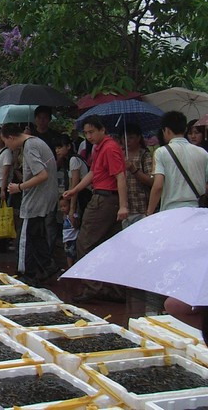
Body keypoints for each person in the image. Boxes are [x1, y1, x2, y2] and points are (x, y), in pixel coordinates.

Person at [63, 115, 128, 303]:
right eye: (86, 133)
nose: (89, 136)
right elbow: (93, 172)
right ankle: (114, 290)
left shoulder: (109, 148)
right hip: (105, 197)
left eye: (92, 132)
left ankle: (94, 287)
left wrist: (123, 205)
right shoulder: (99, 148)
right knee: (109, 245)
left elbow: (120, 176)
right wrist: (75, 190)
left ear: (102, 130)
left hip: (104, 199)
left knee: (85, 242)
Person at [2, 122, 59, 285]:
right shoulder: (36, 142)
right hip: (45, 196)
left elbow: (42, 175)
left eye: (6, 142)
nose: (7, 146)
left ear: (11, 137)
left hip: (36, 199)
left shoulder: (29, 146)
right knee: (36, 235)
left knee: (25, 236)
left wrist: (19, 187)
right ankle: (47, 265)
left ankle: (26, 272)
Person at [147, 111, 208, 215]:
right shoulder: (202, 152)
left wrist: (149, 213)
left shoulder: (161, 152)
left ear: (166, 130)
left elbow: (158, 186)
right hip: (197, 212)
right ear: (185, 130)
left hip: (171, 212)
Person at [54, 134, 90, 261]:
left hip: (84, 196)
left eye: (60, 147)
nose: (57, 150)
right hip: (78, 196)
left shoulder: (74, 160)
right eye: (56, 148)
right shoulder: (69, 161)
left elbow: (74, 185)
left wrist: (72, 209)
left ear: (68, 146)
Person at [121, 123, 153, 228]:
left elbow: (151, 181)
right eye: (124, 138)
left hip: (142, 207)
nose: (127, 141)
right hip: (126, 209)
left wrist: (133, 169)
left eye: (131, 137)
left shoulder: (145, 155)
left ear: (139, 138)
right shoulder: (120, 156)